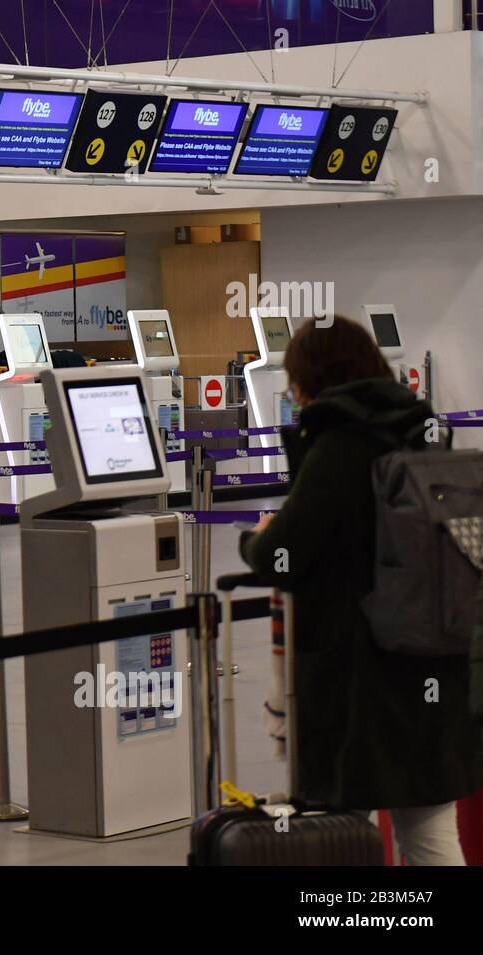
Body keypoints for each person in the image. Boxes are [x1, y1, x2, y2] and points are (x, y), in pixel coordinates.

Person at [239, 314, 483, 865]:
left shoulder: (338, 446)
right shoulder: (425, 431)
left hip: (356, 676)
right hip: (434, 658)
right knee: (429, 823)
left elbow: (284, 554)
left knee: (343, 829)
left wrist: (254, 543)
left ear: (311, 381)